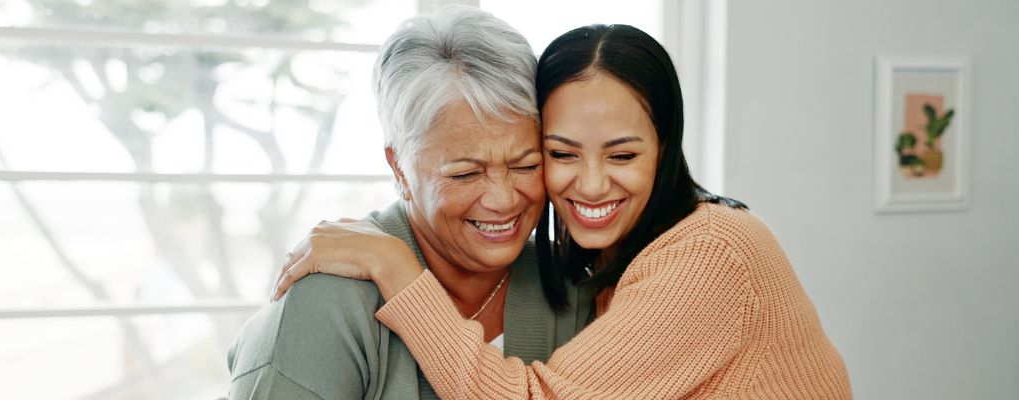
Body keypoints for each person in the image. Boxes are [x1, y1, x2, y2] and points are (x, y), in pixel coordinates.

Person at [275, 24, 852, 399]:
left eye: (623, 154)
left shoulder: (710, 253)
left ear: (666, 149)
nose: (594, 184)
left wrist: (398, 269)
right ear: (399, 168)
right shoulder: (600, 263)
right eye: (560, 154)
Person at [227, 7, 594, 399]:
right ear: (399, 167)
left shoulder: (576, 285)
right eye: (465, 174)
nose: (503, 200)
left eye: (526, 165)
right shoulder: (324, 302)